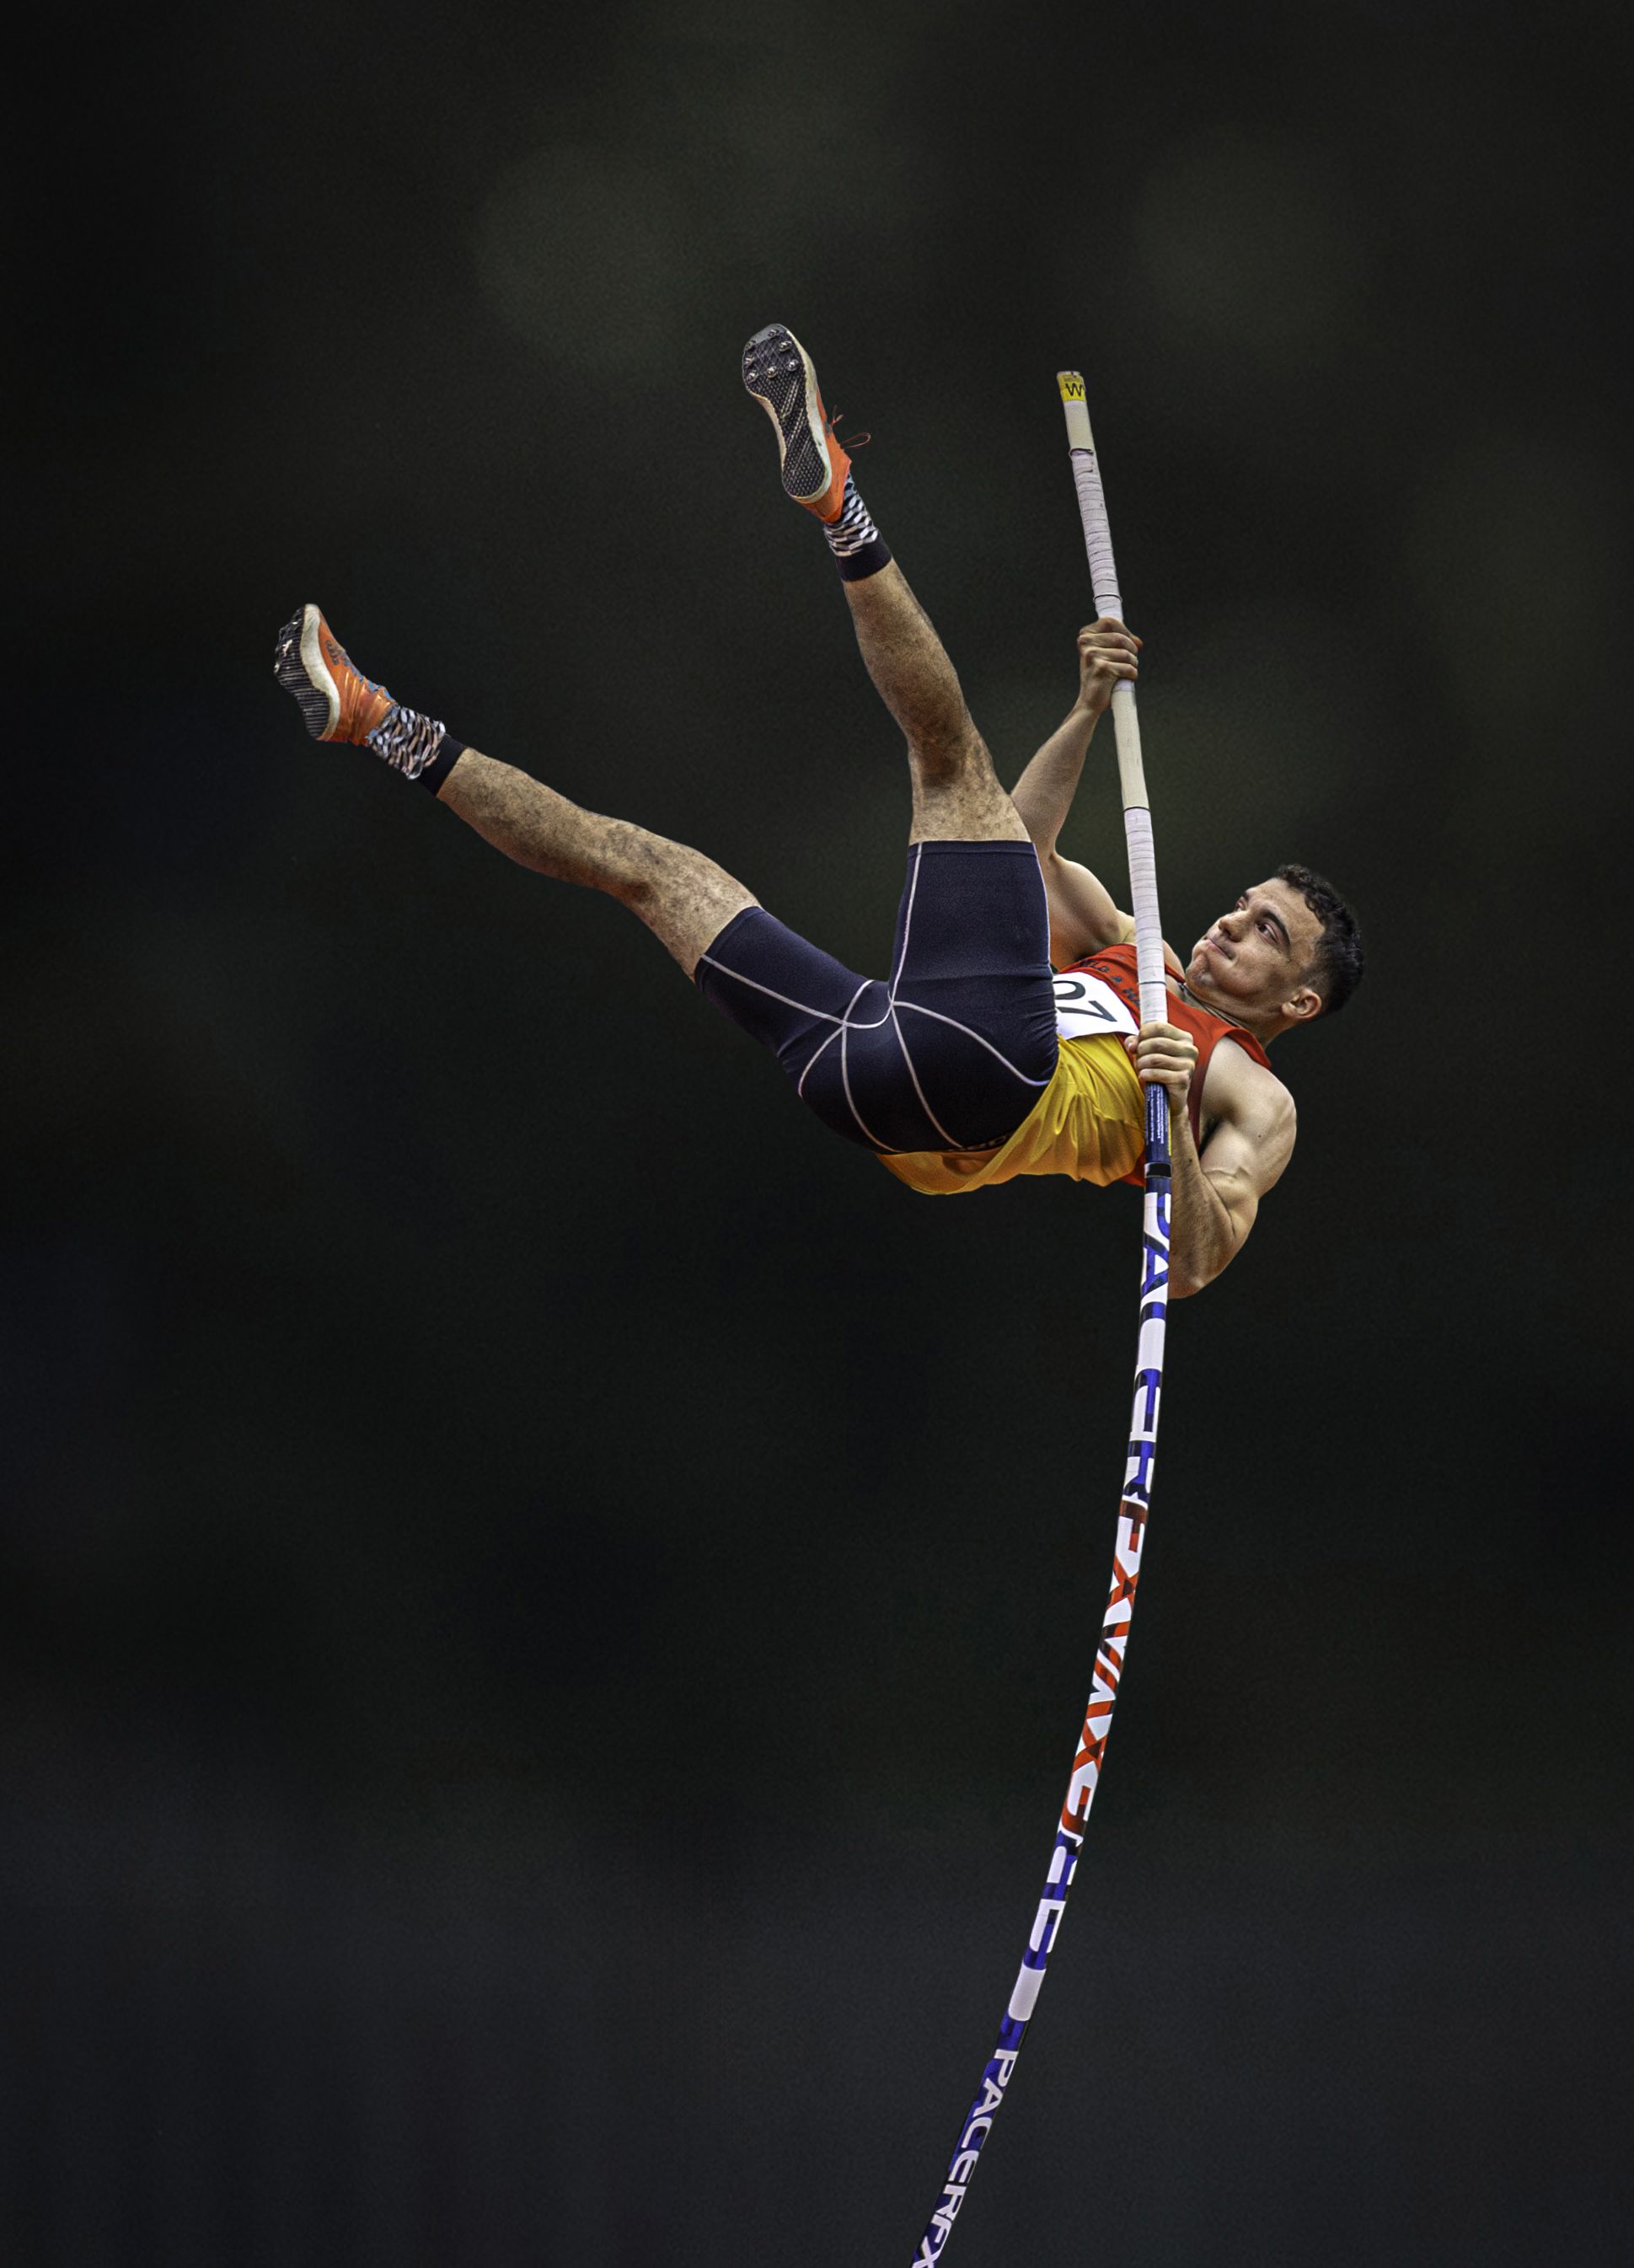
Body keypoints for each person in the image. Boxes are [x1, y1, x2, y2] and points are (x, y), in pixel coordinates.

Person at [274, 324, 1363, 1297]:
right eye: (1245, 903)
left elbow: (1199, 1261)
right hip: (875, 1076)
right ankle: (377, 721)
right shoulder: (1136, 949)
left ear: (1303, 999)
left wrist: (1173, 1115)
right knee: (650, 869)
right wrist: (1082, 714)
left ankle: (840, 504)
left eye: (1269, 931)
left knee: (947, 762)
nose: (1232, 922)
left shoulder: (1253, 1095)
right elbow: (1017, 851)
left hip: (988, 1081)